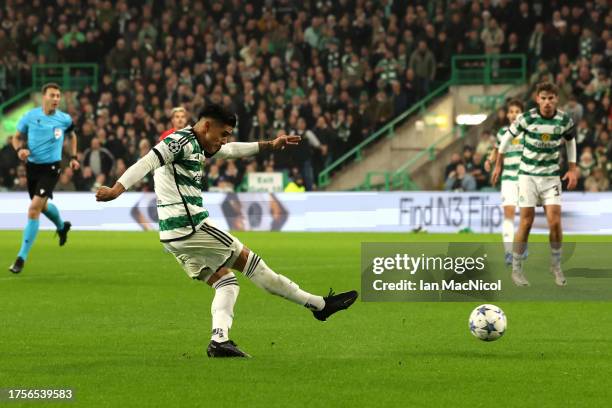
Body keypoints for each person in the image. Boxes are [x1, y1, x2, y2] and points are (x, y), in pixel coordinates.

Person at [95, 104, 357, 358]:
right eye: (222, 134)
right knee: (255, 266)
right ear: (207, 125)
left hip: (172, 236)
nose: (223, 141)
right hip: (191, 227)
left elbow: (231, 150)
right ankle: (318, 305)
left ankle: (219, 340)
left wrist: (268, 145)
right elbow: (147, 161)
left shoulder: (200, 144)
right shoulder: (180, 141)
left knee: (226, 282)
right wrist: (117, 189)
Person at [492, 83, 578, 287]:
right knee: (526, 222)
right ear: (537, 99)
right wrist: (498, 164)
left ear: (556, 99)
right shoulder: (526, 118)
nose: (547, 102)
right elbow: (505, 140)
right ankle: (517, 270)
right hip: (528, 177)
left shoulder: (564, 120)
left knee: (555, 221)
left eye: (551, 98)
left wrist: (572, 168)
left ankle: (556, 266)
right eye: (543, 98)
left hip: (551, 178)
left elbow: (570, 141)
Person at [9, 83, 80, 274]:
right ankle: (61, 226)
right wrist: (20, 150)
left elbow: (72, 136)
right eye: (52, 95)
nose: (56, 99)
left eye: (58, 96)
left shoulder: (64, 119)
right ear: (44, 97)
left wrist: (73, 157)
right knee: (43, 206)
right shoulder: (30, 116)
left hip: (51, 168)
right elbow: (15, 137)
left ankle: (20, 258)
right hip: (32, 168)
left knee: (33, 210)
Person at [486, 99, 525, 265]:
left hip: (526, 178)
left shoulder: (528, 131)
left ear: (521, 114)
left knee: (525, 217)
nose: (514, 114)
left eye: (517, 111)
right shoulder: (502, 133)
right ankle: (509, 252)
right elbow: (496, 152)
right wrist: (489, 161)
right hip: (508, 178)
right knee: (508, 215)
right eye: (511, 111)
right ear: (508, 115)